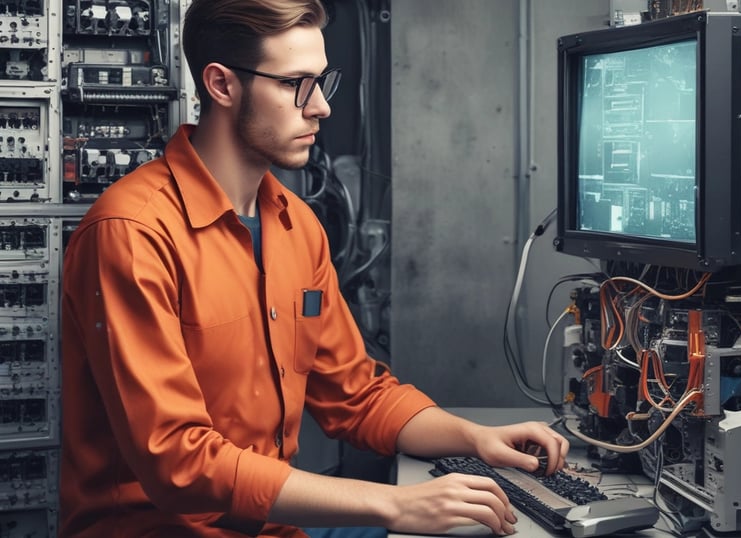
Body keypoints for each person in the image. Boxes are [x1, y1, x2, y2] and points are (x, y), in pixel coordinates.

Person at [58, 0, 570, 536]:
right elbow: (179, 461)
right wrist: (395, 505)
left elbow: (358, 396)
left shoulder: (295, 226)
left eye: (322, 81)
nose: (321, 106)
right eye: (296, 84)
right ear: (222, 85)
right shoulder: (131, 234)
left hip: (272, 526)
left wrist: (474, 438)